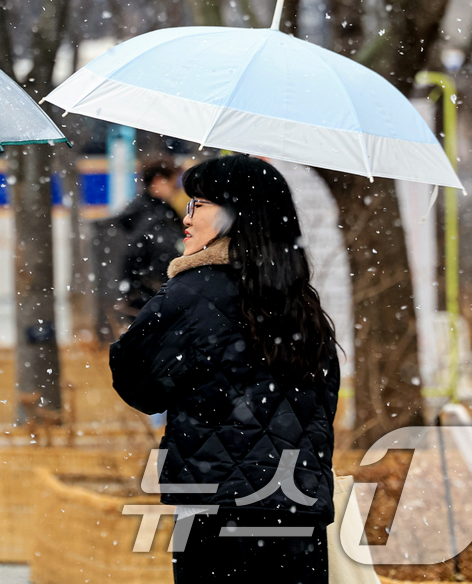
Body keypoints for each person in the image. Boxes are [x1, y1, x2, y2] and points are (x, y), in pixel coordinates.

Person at [110, 155, 340, 583]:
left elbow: (138, 384)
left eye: (198, 204)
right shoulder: (303, 306)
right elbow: (324, 404)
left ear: (236, 214)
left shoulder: (191, 292)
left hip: (214, 509)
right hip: (298, 509)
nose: (187, 217)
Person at [113, 158, 183, 327]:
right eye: (173, 184)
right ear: (158, 181)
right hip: (151, 295)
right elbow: (160, 252)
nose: (176, 190)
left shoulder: (148, 212)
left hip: (145, 294)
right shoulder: (153, 216)